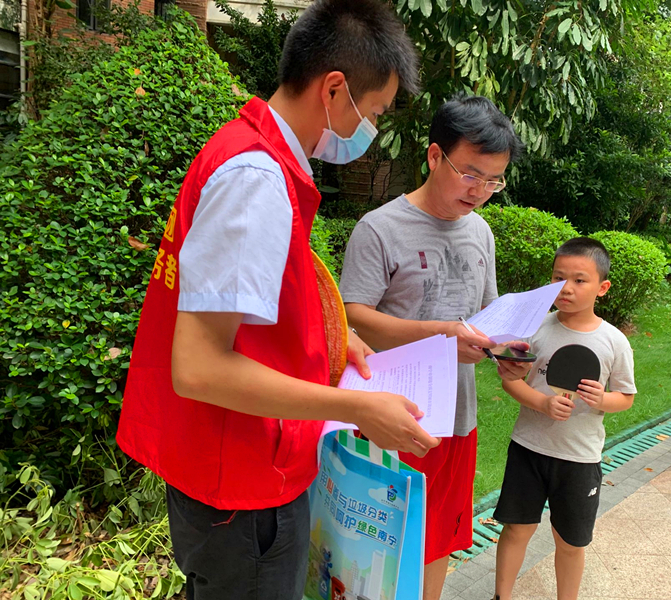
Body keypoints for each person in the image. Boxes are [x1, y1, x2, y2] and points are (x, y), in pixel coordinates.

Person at [115, 1, 440, 599]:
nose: (371, 130)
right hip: (242, 486)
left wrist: (334, 337)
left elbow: (257, 304)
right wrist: (360, 409)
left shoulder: (252, 156)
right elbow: (200, 366)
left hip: (235, 469)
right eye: (373, 112)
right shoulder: (256, 179)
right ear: (334, 90)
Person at [339, 94, 530, 600]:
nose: (480, 191)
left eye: (494, 181)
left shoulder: (480, 232)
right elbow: (352, 317)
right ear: (433, 156)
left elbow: (486, 317)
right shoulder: (379, 229)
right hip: (391, 416)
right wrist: (442, 334)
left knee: (439, 536)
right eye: (470, 174)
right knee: (378, 545)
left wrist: (507, 353)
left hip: (457, 417)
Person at [493, 237, 637, 600]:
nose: (566, 288)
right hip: (528, 448)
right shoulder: (535, 329)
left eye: (579, 280)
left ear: (602, 287)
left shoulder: (614, 341)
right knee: (516, 529)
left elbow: (626, 397)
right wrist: (542, 403)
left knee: (570, 542)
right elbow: (511, 380)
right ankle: (501, 596)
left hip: (579, 458)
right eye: (559, 278)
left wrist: (603, 398)